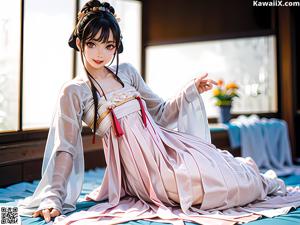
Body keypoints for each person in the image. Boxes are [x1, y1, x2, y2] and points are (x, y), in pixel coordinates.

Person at [17, 1, 300, 224]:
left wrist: (190, 90)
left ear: (116, 45)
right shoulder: (74, 91)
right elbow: (65, 148)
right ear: (79, 43)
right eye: (92, 44)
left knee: (219, 169)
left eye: (109, 45)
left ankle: (265, 183)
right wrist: (52, 196)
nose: (100, 53)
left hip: (167, 147)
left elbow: (162, 114)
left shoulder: (126, 72)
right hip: (143, 173)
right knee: (197, 191)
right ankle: (258, 183)